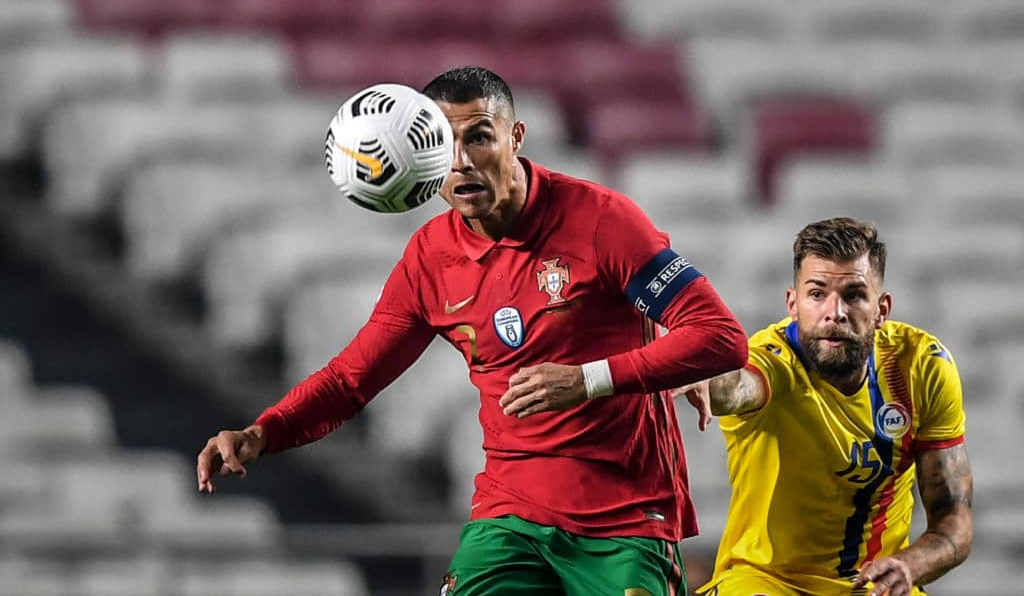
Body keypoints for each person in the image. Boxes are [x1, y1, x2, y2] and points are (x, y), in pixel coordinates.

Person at [196, 66, 748, 596]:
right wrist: (263, 432)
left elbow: (719, 336)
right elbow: (351, 379)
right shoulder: (431, 258)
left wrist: (588, 380)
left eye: (479, 138)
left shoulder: (604, 219)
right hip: (509, 517)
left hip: (627, 517)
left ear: (516, 137)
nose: (461, 162)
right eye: (442, 146)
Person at [683, 217, 972, 596]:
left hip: (871, 585)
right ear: (793, 304)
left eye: (853, 294)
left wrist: (907, 565)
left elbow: (954, 521)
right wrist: (705, 376)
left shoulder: (922, 368)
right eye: (817, 294)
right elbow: (739, 387)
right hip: (765, 582)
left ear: (882, 308)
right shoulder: (772, 360)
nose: (834, 312)